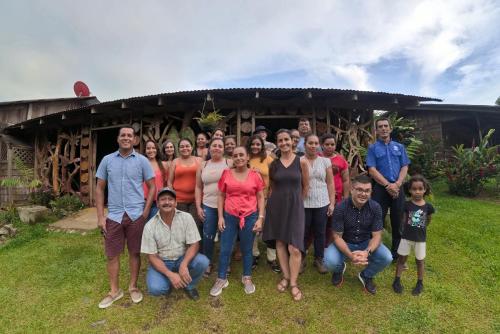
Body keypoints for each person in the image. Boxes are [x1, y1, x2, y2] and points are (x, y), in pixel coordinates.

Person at [95, 126, 156, 309]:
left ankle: (133, 286)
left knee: (134, 252)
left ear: (134, 139)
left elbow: (152, 186)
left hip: (136, 214)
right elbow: (99, 188)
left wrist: (145, 212)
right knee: (112, 254)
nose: (126, 138)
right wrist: (100, 216)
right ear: (118, 138)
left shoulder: (142, 161)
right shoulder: (107, 160)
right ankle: (114, 291)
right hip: (113, 215)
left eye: (130, 135)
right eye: (123, 135)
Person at [210, 146, 265, 296]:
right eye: (235, 155)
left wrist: (260, 218)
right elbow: (221, 196)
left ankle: (247, 277)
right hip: (229, 216)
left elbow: (260, 197)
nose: (239, 158)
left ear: (247, 157)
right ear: (232, 158)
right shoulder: (226, 173)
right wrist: (220, 216)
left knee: (247, 248)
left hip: (250, 215)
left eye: (242, 155)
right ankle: (221, 278)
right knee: (225, 248)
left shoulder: (255, 175)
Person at [324, 175, 393, 295]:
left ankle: (366, 275)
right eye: (359, 190)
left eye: (367, 191)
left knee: (387, 257)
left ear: (371, 192)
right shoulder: (341, 207)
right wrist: (350, 255)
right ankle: (339, 270)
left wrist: (367, 252)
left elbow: (377, 236)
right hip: (345, 242)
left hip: (365, 242)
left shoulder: (375, 208)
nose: (363, 194)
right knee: (329, 260)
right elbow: (337, 237)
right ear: (352, 190)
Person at [263, 129, 309, 301]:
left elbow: (306, 186)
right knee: (280, 242)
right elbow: (272, 187)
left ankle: (294, 283)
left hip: (296, 207)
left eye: (286, 140)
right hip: (277, 206)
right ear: (277, 142)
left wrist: (298, 202)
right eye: (280, 140)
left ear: (292, 141)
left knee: (295, 247)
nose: (283, 143)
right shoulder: (273, 164)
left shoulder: (301, 162)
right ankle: (286, 276)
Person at [141, 187, 209, 301]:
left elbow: (195, 244)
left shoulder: (186, 218)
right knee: (156, 289)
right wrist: (170, 274)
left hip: (182, 258)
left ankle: (189, 285)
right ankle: (171, 279)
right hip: (162, 261)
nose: (167, 202)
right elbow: (152, 257)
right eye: (163, 199)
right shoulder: (150, 226)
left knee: (203, 262)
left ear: (176, 203)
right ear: (157, 204)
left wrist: (184, 264)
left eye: (170, 199)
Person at [366, 118, 410, 260]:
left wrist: (397, 184)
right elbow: (372, 169)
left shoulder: (399, 147)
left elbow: (405, 166)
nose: (383, 129)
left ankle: (397, 253)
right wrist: (387, 185)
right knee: (376, 219)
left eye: (386, 126)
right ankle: (373, 249)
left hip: (398, 188)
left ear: (390, 129)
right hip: (380, 189)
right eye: (380, 127)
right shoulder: (372, 148)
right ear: (376, 130)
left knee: (398, 221)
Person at [195, 137, 232, 276]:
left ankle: (225, 263)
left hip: (227, 206)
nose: (217, 148)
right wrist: (198, 207)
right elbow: (198, 187)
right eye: (214, 145)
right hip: (208, 205)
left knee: (226, 236)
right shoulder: (203, 165)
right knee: (208, 236)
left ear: (223, 149)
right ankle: (207, 262)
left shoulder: (230, 163)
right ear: (209, 148)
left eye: (219, 146)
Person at [392, 175, 435, 296]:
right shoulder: (406, 205)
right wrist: (403, 229)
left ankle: (420, 283)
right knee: (402, 259)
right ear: (409, 190)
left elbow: (428, 219)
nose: (417, 192)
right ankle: (396, 280)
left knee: (420, 261)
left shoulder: (428, 207)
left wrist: (422, 227)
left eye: (420, 189)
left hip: (420, 239)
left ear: (425, 189)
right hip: (406, 238)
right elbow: (403, 219)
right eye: (414, 189)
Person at [301, 134, 336, 274]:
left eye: (316, 143)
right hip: (304, 202)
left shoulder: (325, 162)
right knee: (303, 232)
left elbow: (330, 182)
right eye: (310, 143)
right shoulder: (299, 161)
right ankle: (301, 258)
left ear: (319, 145)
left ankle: (319, 259)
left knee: (320, 232)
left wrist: (332, 203)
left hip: (322, 202)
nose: (313, 145)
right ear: (305, 144)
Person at [247, 134, 280, 273]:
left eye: (258, 144)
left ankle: (271, 257)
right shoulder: (246, 158)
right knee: (253, 227)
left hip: (267, 197)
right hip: (249, 199)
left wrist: (273, 192)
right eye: (253, 144)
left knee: (270, 227)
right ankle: (254, 254)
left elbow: (276, 177)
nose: (255, 147)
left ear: (262, 146)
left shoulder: (268, 159)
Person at [319, 133, 350, 245]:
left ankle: (330, 245)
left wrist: (346, 198)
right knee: (321, 221)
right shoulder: (317, 158)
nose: (330, 146)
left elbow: (346, 180)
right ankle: (320, 244)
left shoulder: (341, 160)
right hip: (320, 195)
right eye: (327, 144)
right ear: (322, 145)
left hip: (337, 196)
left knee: (334, 222)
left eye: (332, 144)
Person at [168, 139, 203, 231]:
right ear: (178, 149)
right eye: (182, 146)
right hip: (179, 200)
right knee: (181, 227)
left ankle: (195, 245)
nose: (185, 148)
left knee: (195, 226)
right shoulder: (175, 162)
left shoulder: (199, 160)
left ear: (192, 147)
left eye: (187, 146)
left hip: (196, 201)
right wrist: (172, 199)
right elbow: (169, 182)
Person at [143, 140, 169, 221]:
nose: (151, 150)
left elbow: (166, 183)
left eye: (153, 148)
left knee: (154, 226)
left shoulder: (164, 165)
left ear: (157, 150)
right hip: (142, 201)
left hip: (157, 202)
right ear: (145, 150)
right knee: (141, 227)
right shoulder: (141, 164)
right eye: (148, 148)